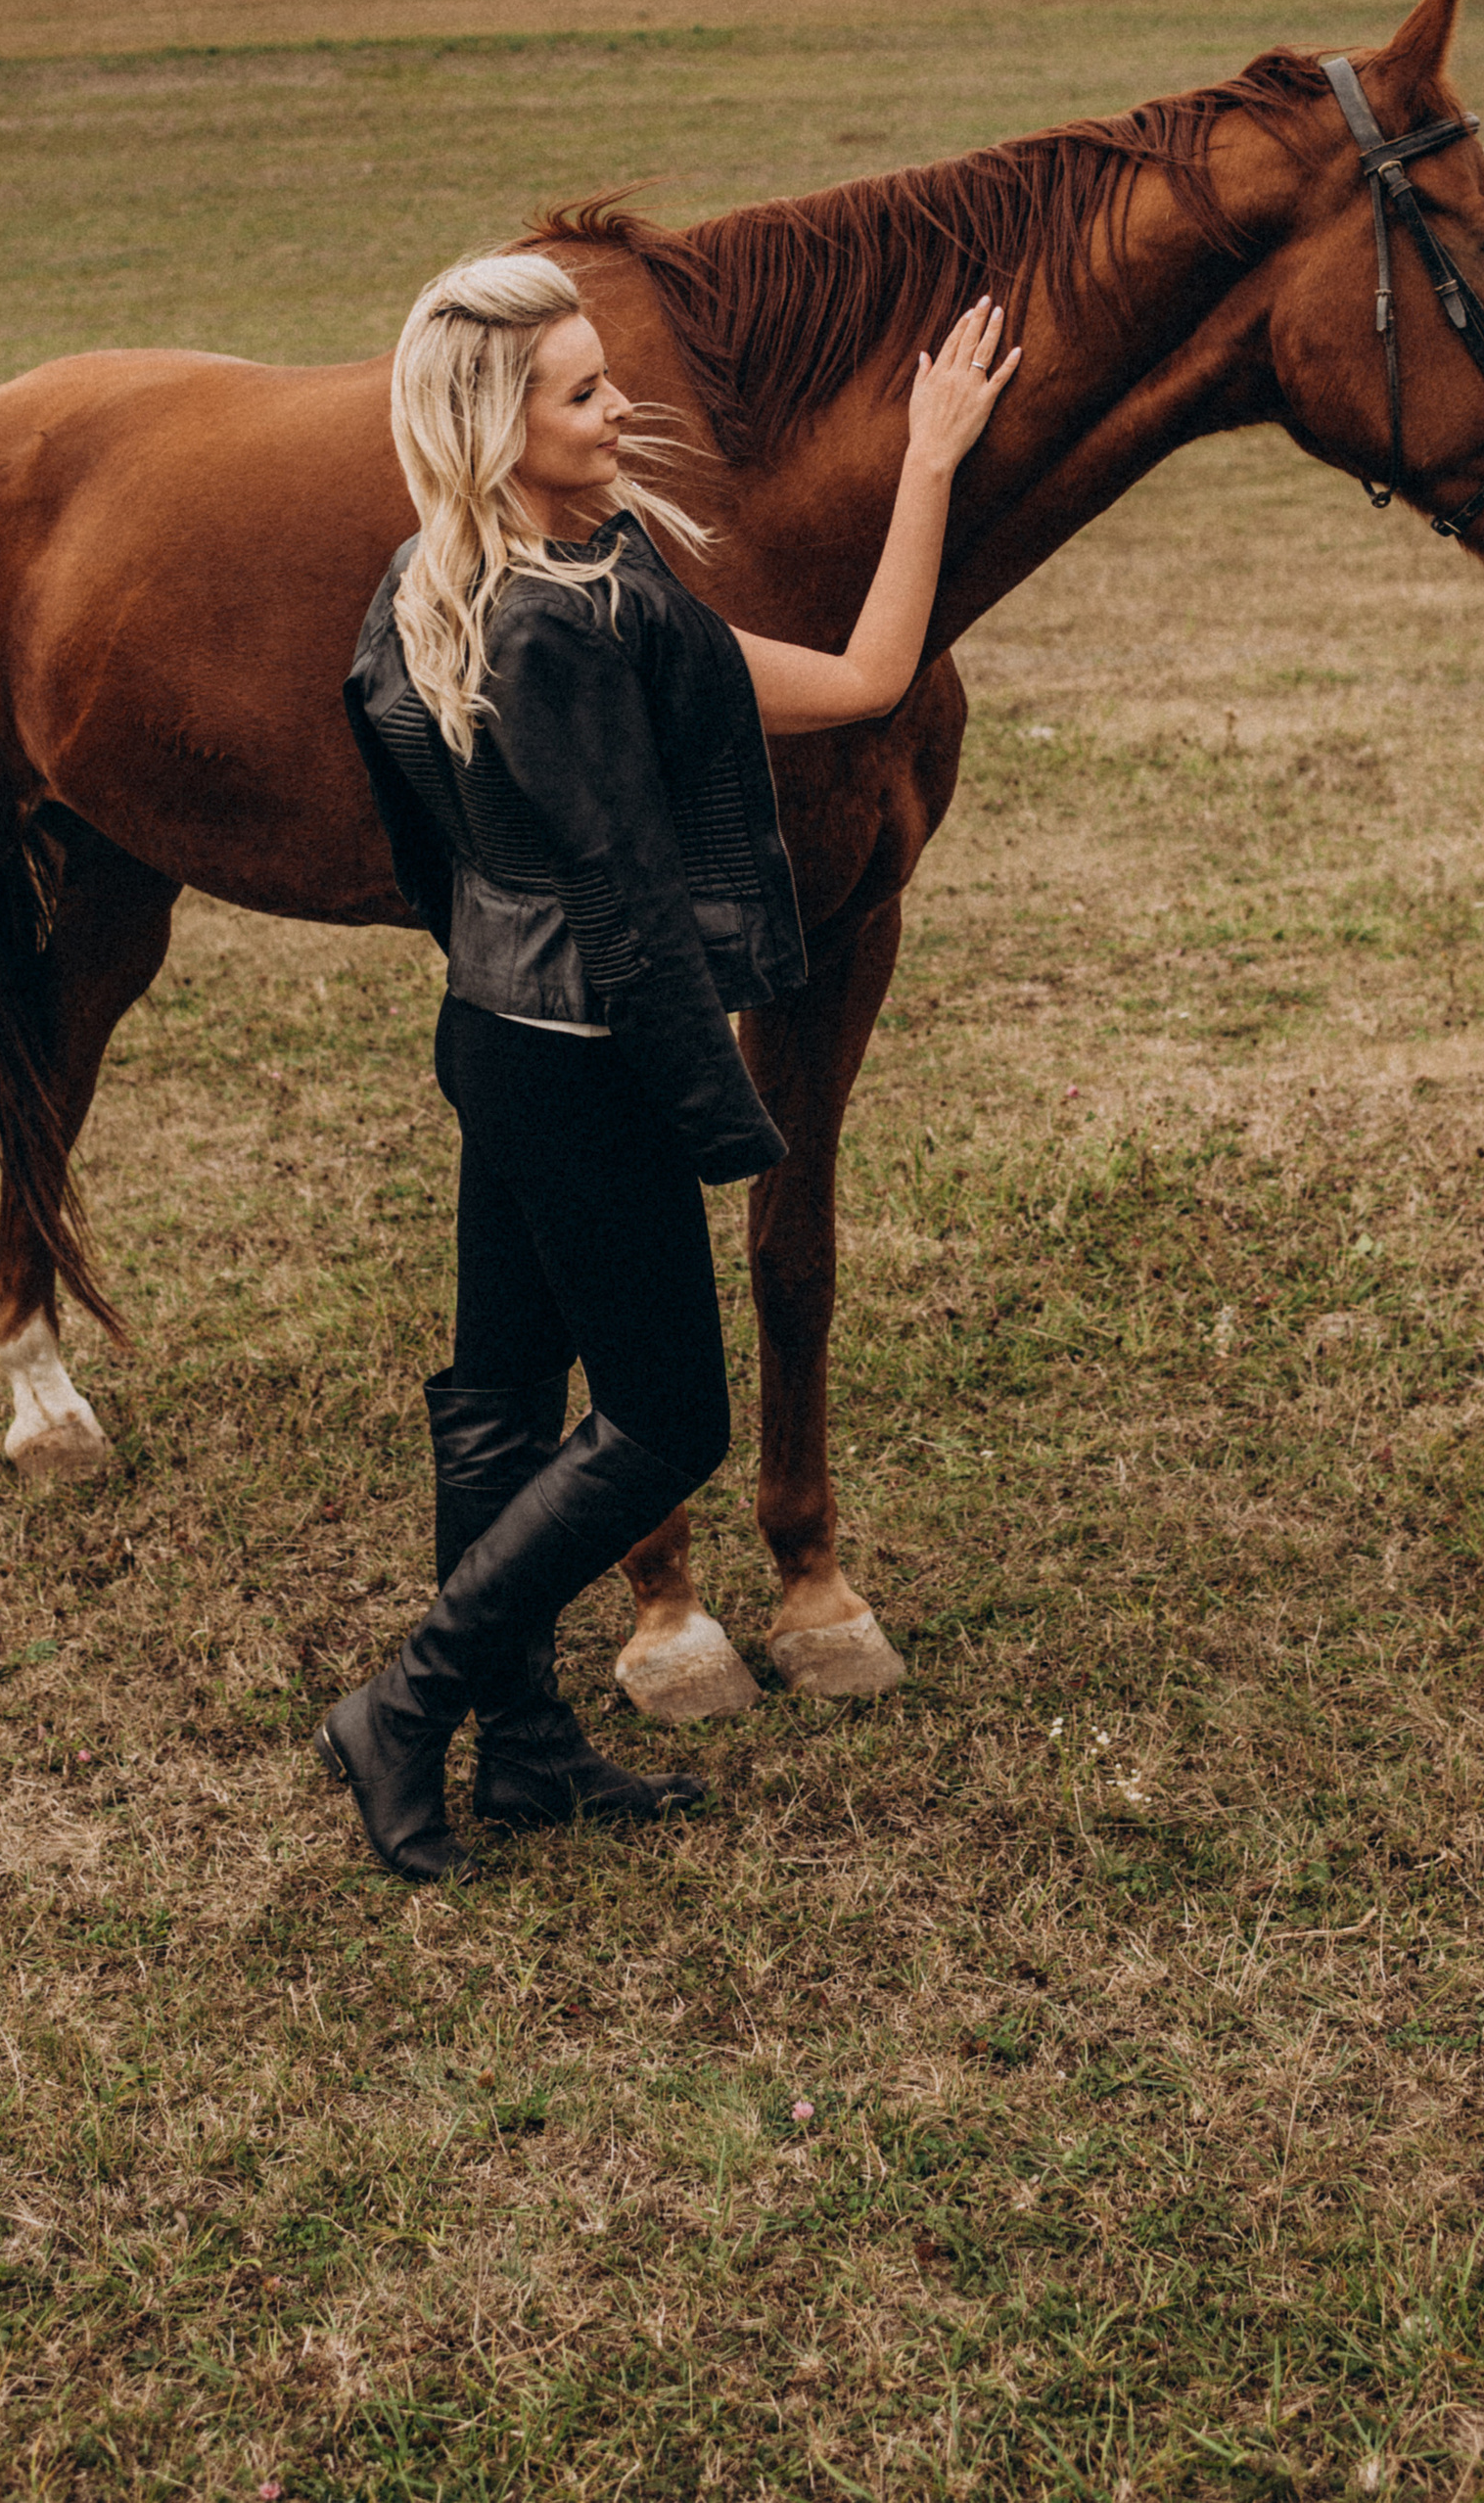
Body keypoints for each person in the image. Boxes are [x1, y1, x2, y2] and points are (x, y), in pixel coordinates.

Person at [323, 248, 1019, 1884]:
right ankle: (407, 1708)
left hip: (497, 1032)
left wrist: (925, 462)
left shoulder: (466, 581)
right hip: (585, 1059)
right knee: (667, 1421)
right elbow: (629, 901)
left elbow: (861, 682)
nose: (618, 404)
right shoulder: (564, 632)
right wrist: (711, 1104)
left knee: (501, 1402)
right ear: (501, 431)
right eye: (581, 392)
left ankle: (526, 1746)